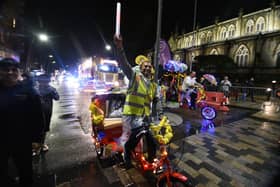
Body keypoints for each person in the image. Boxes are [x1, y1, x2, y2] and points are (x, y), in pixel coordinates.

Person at [113, 35, 158, 169]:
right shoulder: (134, 77)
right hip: (131, 115)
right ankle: (126, 155)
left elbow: (153, 102)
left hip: (144, 117)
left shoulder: (152, 84)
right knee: (136, 136)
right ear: (140, 68)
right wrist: (120, 48)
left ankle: (151, 160)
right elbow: (124, 64)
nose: (148, 68)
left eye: (149, 66)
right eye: (145, 66)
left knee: (152, 140)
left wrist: (157, 116)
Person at [1, 58, 45, 187]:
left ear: (18, 72)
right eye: (5, 69)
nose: (9, 73)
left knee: (25, 172)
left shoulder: (28, 91)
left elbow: (38, 116)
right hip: (1, 141)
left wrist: (38, 139)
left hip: (22, 140)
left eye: (13, 70)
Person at [36, 74, 59, 154]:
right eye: (42, 81)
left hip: (46, 113)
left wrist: (53, 91)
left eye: (45, 81)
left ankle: (41, 145)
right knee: (40, 129)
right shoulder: (34, 89)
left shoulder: (51, 89)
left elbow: (57, 98)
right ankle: (38, 146)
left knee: (44, 129)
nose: (43, 83)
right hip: (37, 113)